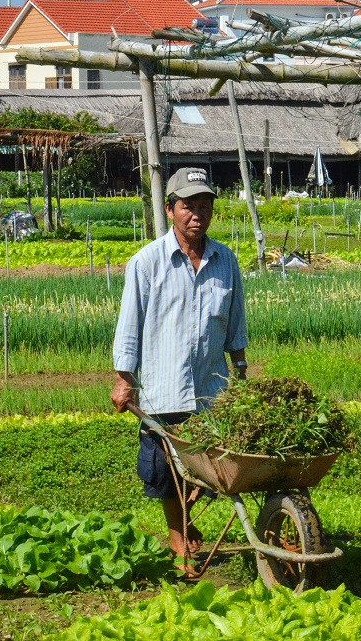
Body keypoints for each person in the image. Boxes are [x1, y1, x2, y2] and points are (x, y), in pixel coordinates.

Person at [110, 167, 248, 567]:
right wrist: (123, 379)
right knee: (164, 472)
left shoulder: (225, 260)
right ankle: (179, 540)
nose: (197, 215)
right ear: (170, 209)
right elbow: (129, 325)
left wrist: (240, 370)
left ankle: (185, 524)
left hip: (211, 390)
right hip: (163, 388)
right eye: (188, 206)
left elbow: (235, 323)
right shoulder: (147, 262)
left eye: (204, 206)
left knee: (210, 468)